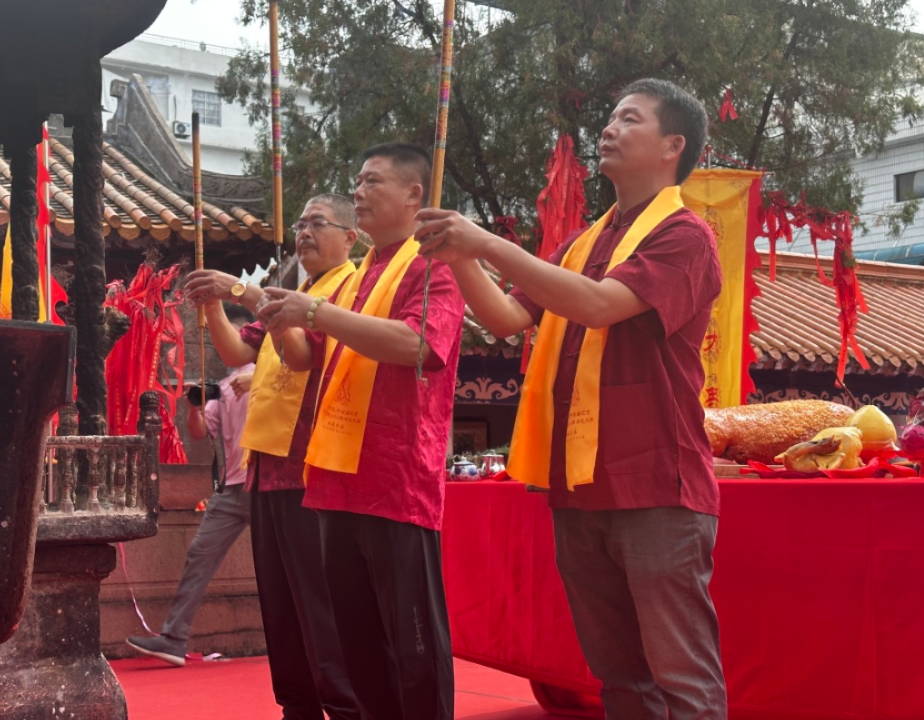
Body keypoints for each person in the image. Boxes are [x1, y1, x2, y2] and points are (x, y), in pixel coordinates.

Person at [414, 78, 727, 719]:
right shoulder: (583, 244)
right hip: (579, 485)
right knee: (620, 679)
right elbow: (505, 318)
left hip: (656, 484)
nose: (609, 128)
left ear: (673, 146)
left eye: (630, 119)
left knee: (682, 679)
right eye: (611, 117)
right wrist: (458, 254)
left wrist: (487, 243)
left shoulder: (687, 236)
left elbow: (598, 305)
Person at [259, 143, 464, 720]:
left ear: (414, 195)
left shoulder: (433, 264)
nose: (359, 192)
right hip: (336, 477)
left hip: (396, 477)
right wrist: (279, 321)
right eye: (358, 181)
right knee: (358, 644)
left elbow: (417, 345)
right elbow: (306, 358)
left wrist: (313, 313)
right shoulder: (357, 278)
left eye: (373, 181)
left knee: (413, 646)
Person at [183, 194, 366, 720]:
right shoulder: (296, 292)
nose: (304, 232)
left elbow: (307, 356)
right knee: (281, 603)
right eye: (301, 223)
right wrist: (213, 305)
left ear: (349, 237)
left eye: (318, 223)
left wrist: (239, 288)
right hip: (265, 465)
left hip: (311, 464)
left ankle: (344, 705)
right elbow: (238, 353)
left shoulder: (352, 288)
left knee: (319, 600)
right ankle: (298, 705)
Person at [126, 304, 256, 667]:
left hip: (266, 484)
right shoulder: (224, 386)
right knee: (199, 554)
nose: (227, 342)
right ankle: (174, 638)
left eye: (236, 334)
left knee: (289, 566)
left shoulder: (269, 374)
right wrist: (193, 406)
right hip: (231, 488)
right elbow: (200, 433)